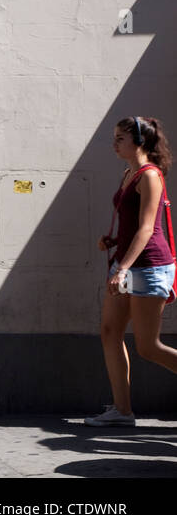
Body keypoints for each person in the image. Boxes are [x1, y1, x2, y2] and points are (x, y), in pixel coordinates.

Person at [86, 116, 177, 427]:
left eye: (120, 138)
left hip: (148, 267)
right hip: (125, 264)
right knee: (110, 333)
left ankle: (122, 411)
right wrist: (112, 241)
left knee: (148, 347)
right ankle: (122, 412)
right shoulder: (129, 173)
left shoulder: (150, 175)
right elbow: (130, 223)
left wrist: (122, 268)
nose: (114, 143)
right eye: (115, 137)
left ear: (139, 142)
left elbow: (149, 228)